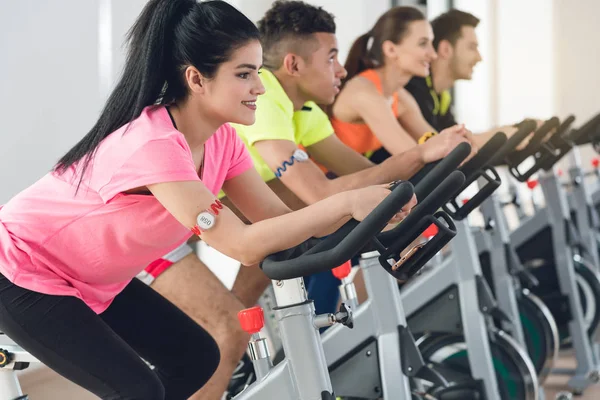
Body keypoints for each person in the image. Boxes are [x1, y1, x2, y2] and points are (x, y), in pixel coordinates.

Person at [0, 1, 407, 399]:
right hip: (21, 269)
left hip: (90, 277)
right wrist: (348, 203)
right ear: (197, 79)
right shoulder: (153, 144)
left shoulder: (223, 139)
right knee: (137, 389)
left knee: (195, 358)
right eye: (245, 74)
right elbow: (242, 244)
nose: (260, 88)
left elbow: (276, 220)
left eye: (258, 72)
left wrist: (374, 217)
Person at [141, 2, 474, 399]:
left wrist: (396, 211)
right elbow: (323, 194)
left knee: (240, 320)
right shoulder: (264, 105)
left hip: (217, 221)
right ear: (295, 65)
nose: (342, 69)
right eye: (331, 57)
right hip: (154, 237)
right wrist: (417, 157)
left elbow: (355, 178)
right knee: (227, 331)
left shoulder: (305, 112)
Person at [330, 6, 508, 164]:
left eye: (431, 43)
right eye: (423, 44)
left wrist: (457, 142)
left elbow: (429, 140)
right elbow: (412, 156)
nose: (432, 54)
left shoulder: (399, 97)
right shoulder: (364, 92)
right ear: (391, 49)